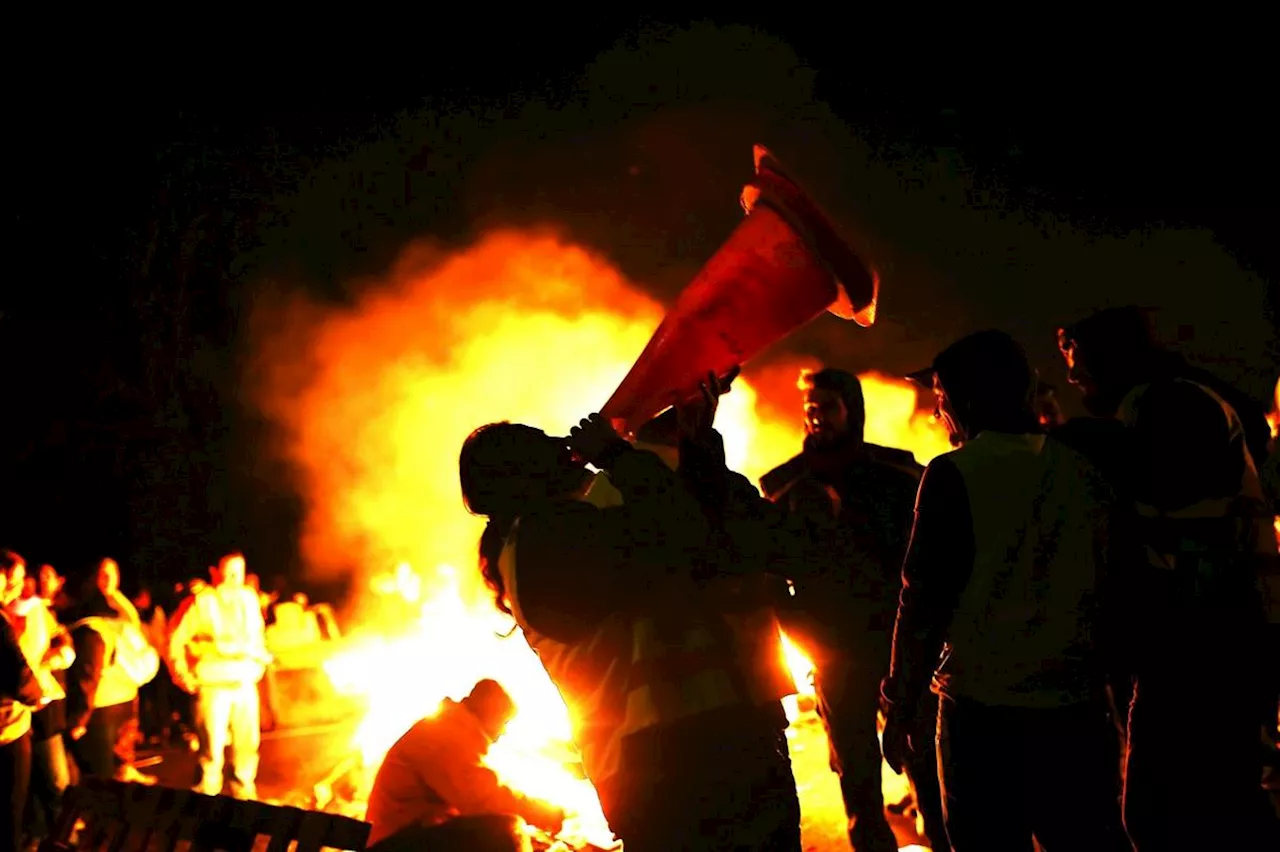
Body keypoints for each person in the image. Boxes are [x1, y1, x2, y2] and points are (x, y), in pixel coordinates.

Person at [459, 390, 800, 851]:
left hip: (677, 753)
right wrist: (617, 455)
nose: (564, 445)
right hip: (678, 760)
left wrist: (692, 439)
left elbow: (687, 518)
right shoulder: (551, 539)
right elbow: (678, 528)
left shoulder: (544, 536)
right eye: (545, 444)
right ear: (522, 477)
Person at [881, 330, 1130, 851]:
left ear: (966, 400)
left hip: (983, 715)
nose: (937, 414)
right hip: (1075, 708)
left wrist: (901, 702)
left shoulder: (952, 474)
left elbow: (922, 599)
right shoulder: (1082, 467)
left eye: (942, 399)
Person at [1058, 306, 1280, 849]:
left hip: (1210, 637)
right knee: (1200, 803)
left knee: (1174, 808)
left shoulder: (1173, 403)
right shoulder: (1159, 402)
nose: (1071, 375)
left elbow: (1180, 513)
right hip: (1204, 634)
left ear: (1115, 358)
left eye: (1079, 360)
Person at [761, 367, 945, 852]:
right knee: (856, 772)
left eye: (828, 407)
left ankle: (940, 840)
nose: (816, 417)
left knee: (925, 758)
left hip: (898, 642)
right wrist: (800, 630)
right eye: (811, 408)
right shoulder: (784, 489)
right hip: (835, 653)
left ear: (853, 411)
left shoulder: (898, 477)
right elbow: (771, 571)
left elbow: (931, 557)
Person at [364, 679, 564, 849]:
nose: (503, 732)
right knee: (507, 832)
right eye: (504, 722)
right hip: (392, 843)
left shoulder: (448, 728)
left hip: (403, 836)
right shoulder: (445, 736)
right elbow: (484, 799)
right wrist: (543, 813)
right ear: (491, 712)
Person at [168, 552, 270, 799]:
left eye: (239, 571)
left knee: (247, 747)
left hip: (244, 683)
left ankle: (245, 800)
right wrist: (181, 674)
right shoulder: (201, 602)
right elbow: (175, 639)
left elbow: (257, 637)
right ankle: (205, 803)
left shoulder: (249, 599)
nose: (235, 577)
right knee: (211, 751)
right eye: (229, 570)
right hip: (213, 685)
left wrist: (260, 664)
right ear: (215, 572)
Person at [7, 557, 74, 840]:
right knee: (21, 790)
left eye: (21, 578)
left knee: (57, 779)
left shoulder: (36, 611)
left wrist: (60, 653)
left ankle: (64, 838)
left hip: (40, 708)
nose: (17, 584)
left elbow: (62, 637)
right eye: (13, 577)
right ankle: (35, 837)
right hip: (11, 716)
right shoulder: (4, 615)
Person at [65, 586, 160, 783]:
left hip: (103, 706)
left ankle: (105, 807)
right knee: (120, 759)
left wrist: (79, 720)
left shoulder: (91, 631)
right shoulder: (121, 626)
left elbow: (89, 677)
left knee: (100, 773)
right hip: (127, 698)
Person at [2, 550, 43, 852]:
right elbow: (19, 677)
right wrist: (37, 694)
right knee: (9, 813)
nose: (15, 589)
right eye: (10, 581)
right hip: (7, 731)